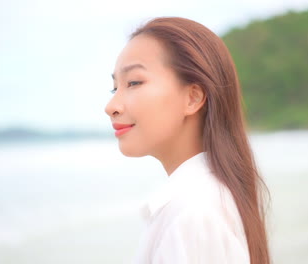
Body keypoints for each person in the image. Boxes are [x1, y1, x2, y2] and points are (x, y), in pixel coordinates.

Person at [105, 17, 270, 264]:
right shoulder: (208, 200)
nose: (111, 107)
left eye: (134, 82)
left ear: (193, 98)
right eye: (114, 88)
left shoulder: (191, 215)